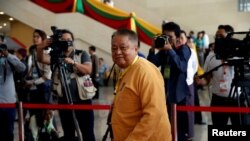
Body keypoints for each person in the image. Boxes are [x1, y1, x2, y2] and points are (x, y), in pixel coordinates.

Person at [110, 28, 172, 140]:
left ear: (136, 48)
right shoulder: (126, 69)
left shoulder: (145, 72)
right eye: (114, 48)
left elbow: (153, 114)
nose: (117, 52)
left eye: (123, 48)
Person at [37, 29, 95, 141]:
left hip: (83, 100)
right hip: (64, 100)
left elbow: (88, 70)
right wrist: (40, 47)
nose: (67, 42)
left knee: (87, 133)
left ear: (73, 41)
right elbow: (41, 59)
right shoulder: (56, 56)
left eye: (69, 40)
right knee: (69, 134)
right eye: (63, 40)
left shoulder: (81, 54)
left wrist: (74, 63)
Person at [148, 22, 191, 141]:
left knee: (180, 128)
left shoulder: (184, 49)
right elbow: (152, 65)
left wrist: (171, 51)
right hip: (164, 93)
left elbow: (182, 66)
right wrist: (152, 48)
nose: (167, 40)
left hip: (179, 95)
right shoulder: (163, 51)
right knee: (165, 125)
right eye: (165, 36)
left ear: (177, 37)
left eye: (170, 37)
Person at [196, 24, 241, 125]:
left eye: (221, 36)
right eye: (216, 36)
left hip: (237, 99)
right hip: (218, 99)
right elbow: (207, 79)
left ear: (230, 37)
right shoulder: (211, 56)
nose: (217, 38)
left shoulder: (239, 55)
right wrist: (201, 82)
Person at [0, 44, 26, 141]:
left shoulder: (9, 58)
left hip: (8, 102)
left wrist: (7, 55)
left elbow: (22, 68)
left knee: (8, 132)